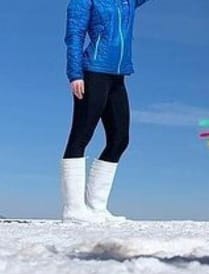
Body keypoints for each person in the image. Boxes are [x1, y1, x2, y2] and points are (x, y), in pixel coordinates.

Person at [60, 0, 150, 223]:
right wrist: (75, 74)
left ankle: (96, 207)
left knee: (119, 139)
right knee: (81, 135)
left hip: (118, 77)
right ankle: (73, 209)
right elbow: (74, 36)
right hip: (92, 72)